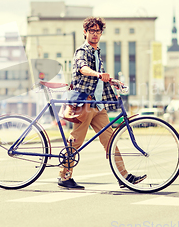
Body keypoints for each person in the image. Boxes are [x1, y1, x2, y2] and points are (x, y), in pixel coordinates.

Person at [58, 17, 146, 190]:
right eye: (91, 31)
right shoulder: (82, 51)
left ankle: (124, 177)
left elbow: (101, 76)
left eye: (98, 31)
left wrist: (112, 81)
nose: (95, 34)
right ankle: (64, 176)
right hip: (85, 103)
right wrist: (98, 75)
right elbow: (83, 68)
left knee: (111, 141)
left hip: (98, 106)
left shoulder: (97, 52)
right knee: (76, 142)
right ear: (85, 32)